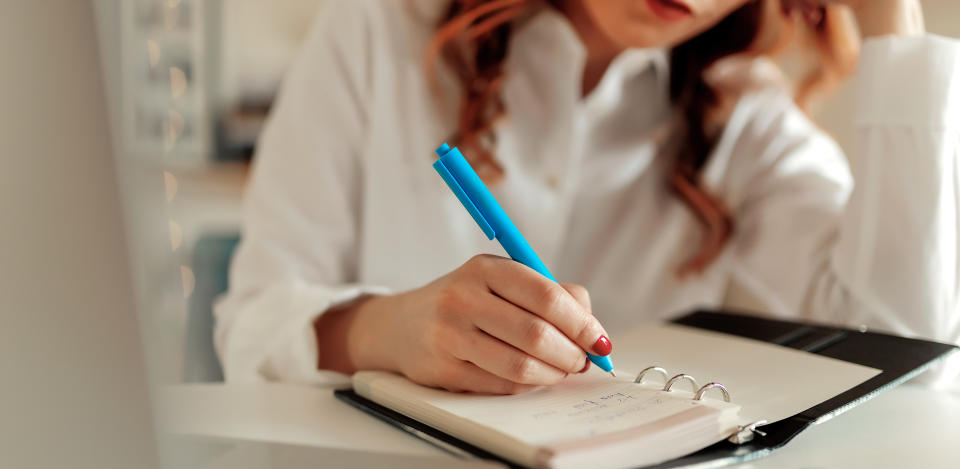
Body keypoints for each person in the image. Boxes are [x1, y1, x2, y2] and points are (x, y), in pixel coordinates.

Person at [215, 0, 959, 391]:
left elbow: (913, 361)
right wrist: (388, 330)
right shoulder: (380, 30)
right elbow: (251, 326)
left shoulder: (749, 122)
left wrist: (892, 20)